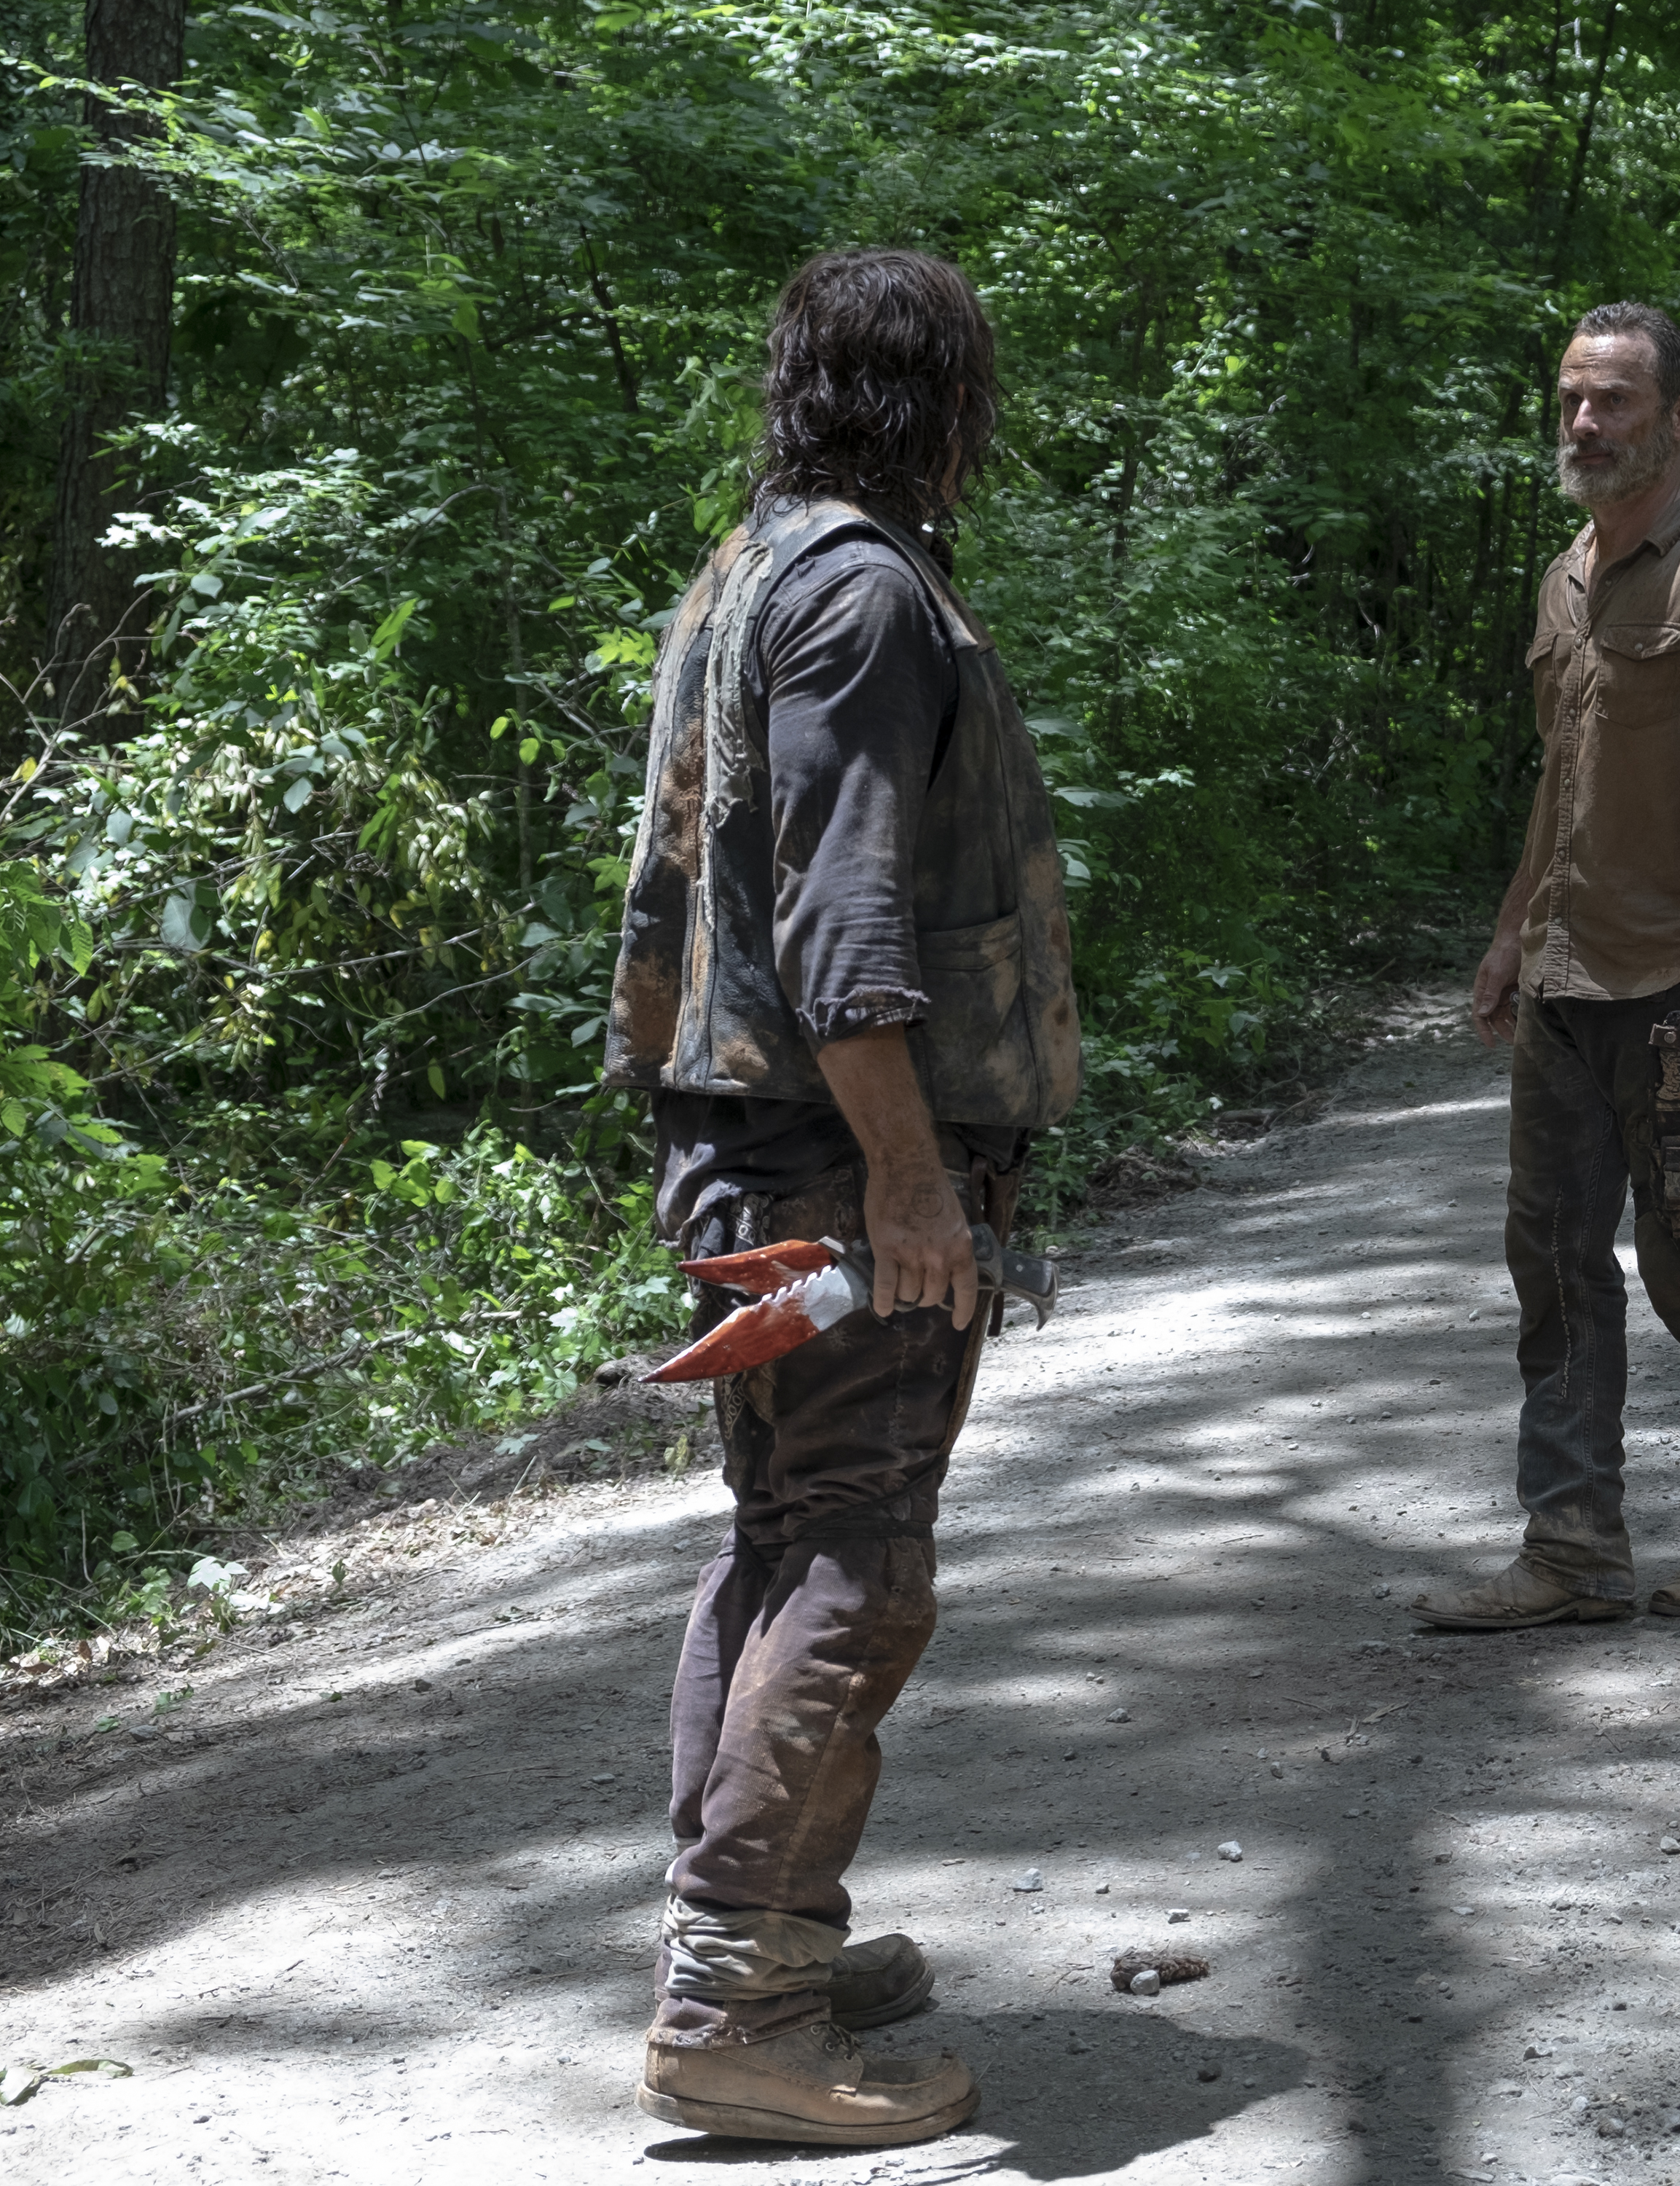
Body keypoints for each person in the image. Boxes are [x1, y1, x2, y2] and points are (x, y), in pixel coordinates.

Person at [602, 246, 1083, 2147]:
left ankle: (756, 1928)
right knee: (860, 1561)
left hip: (741, 1136)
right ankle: (739, 1991)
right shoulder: (863, 598)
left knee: (785, 1532)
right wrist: (911, 1188)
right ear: (936, 402)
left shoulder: (750, 573)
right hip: (827, 1147)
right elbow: (844, 933)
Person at [1414, 300, 1680, 1632]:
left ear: (1678, 417)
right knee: (1550, 1261)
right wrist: (1508, 931)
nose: (1587, 424)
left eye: (1614, 402)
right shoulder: (1567, 575)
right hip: (1563, 978)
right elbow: (1566, 780)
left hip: (1679, 991)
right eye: (1571, 402)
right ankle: (1572, 1546)